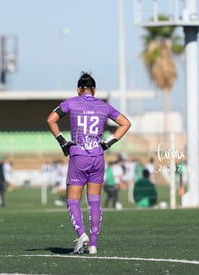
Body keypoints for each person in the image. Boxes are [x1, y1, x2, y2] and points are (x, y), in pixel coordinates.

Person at [46, 72, 131, 254]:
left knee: (72, 200)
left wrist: (62, 141)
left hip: (78, 155)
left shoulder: (71, 103)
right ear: (94, 90)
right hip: (98, 156)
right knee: (94, 201)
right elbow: (125, 123)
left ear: (78, 89)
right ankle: (93, 244)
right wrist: (108, 143)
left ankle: (81, 234)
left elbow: (51, 119)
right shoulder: (104, 106)